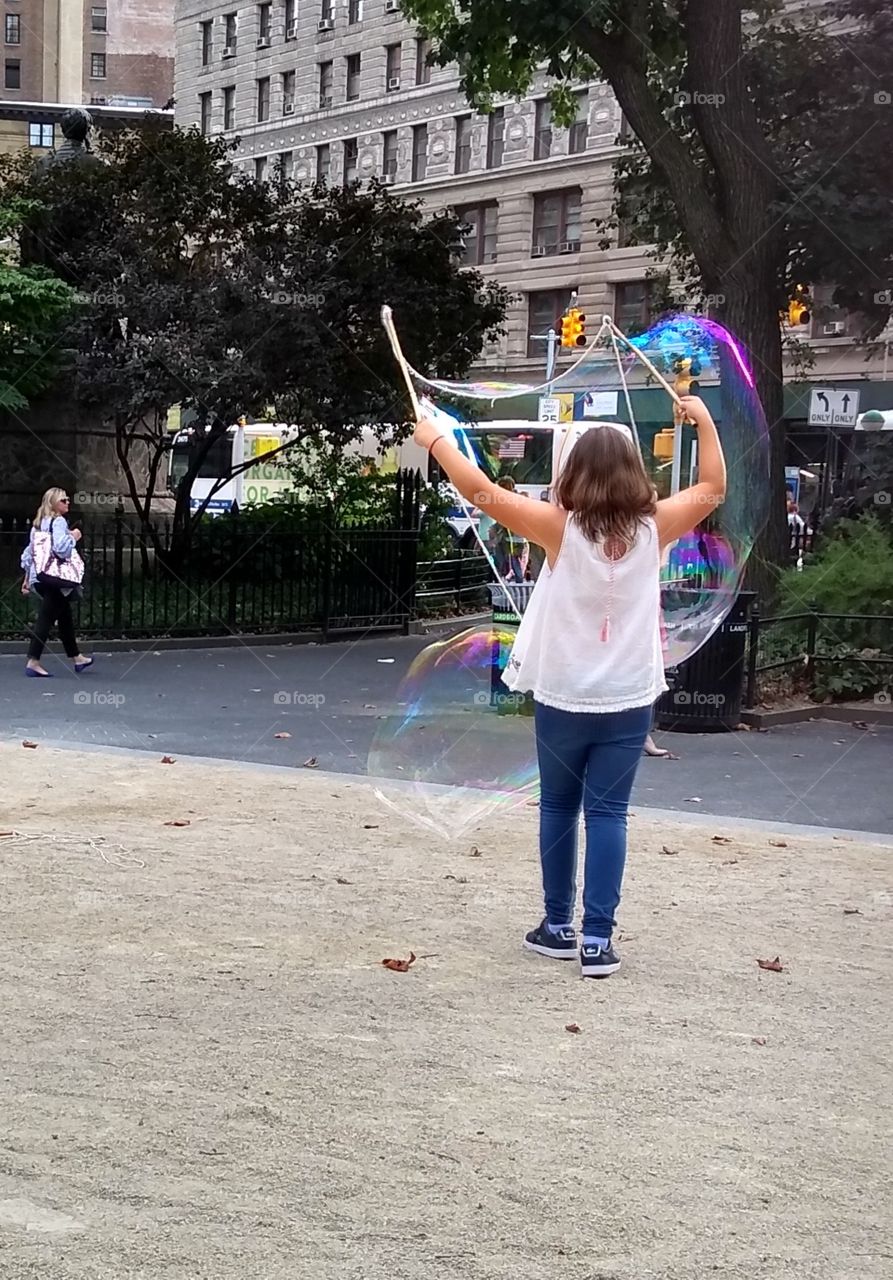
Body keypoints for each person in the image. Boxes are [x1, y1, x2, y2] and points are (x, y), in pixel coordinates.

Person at [413, 397, 726, 978]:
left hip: (562, 694)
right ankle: (597, 941)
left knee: (558, 806)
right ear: (635, 473)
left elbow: (481, 491)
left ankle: (557, 926)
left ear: (573, 474)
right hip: (629, 696)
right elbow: (713, 483)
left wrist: (436, 442)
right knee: (610, 814)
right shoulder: (656, 526)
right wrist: (702, 419)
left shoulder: (558, 528)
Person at [20, 488, 93, 677]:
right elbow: (61, 549)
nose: (68, 502)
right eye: (63, 500)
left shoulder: (38, 525)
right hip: (56, 578)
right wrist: (74, 537)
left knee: (64, 614)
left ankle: (76, 657)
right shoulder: (58, 521)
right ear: (53, 503)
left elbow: (29, 554)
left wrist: (27, 579)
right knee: (46, 618)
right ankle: (33, 661)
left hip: (41, 577)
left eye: (68, 500)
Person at [493, 476, 529, 582]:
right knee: (513, 563)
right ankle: (513, 580)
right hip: (512, 539)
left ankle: (516, 585)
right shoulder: (515, 499)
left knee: (514, 564)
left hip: (513, 540)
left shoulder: (511, 501)